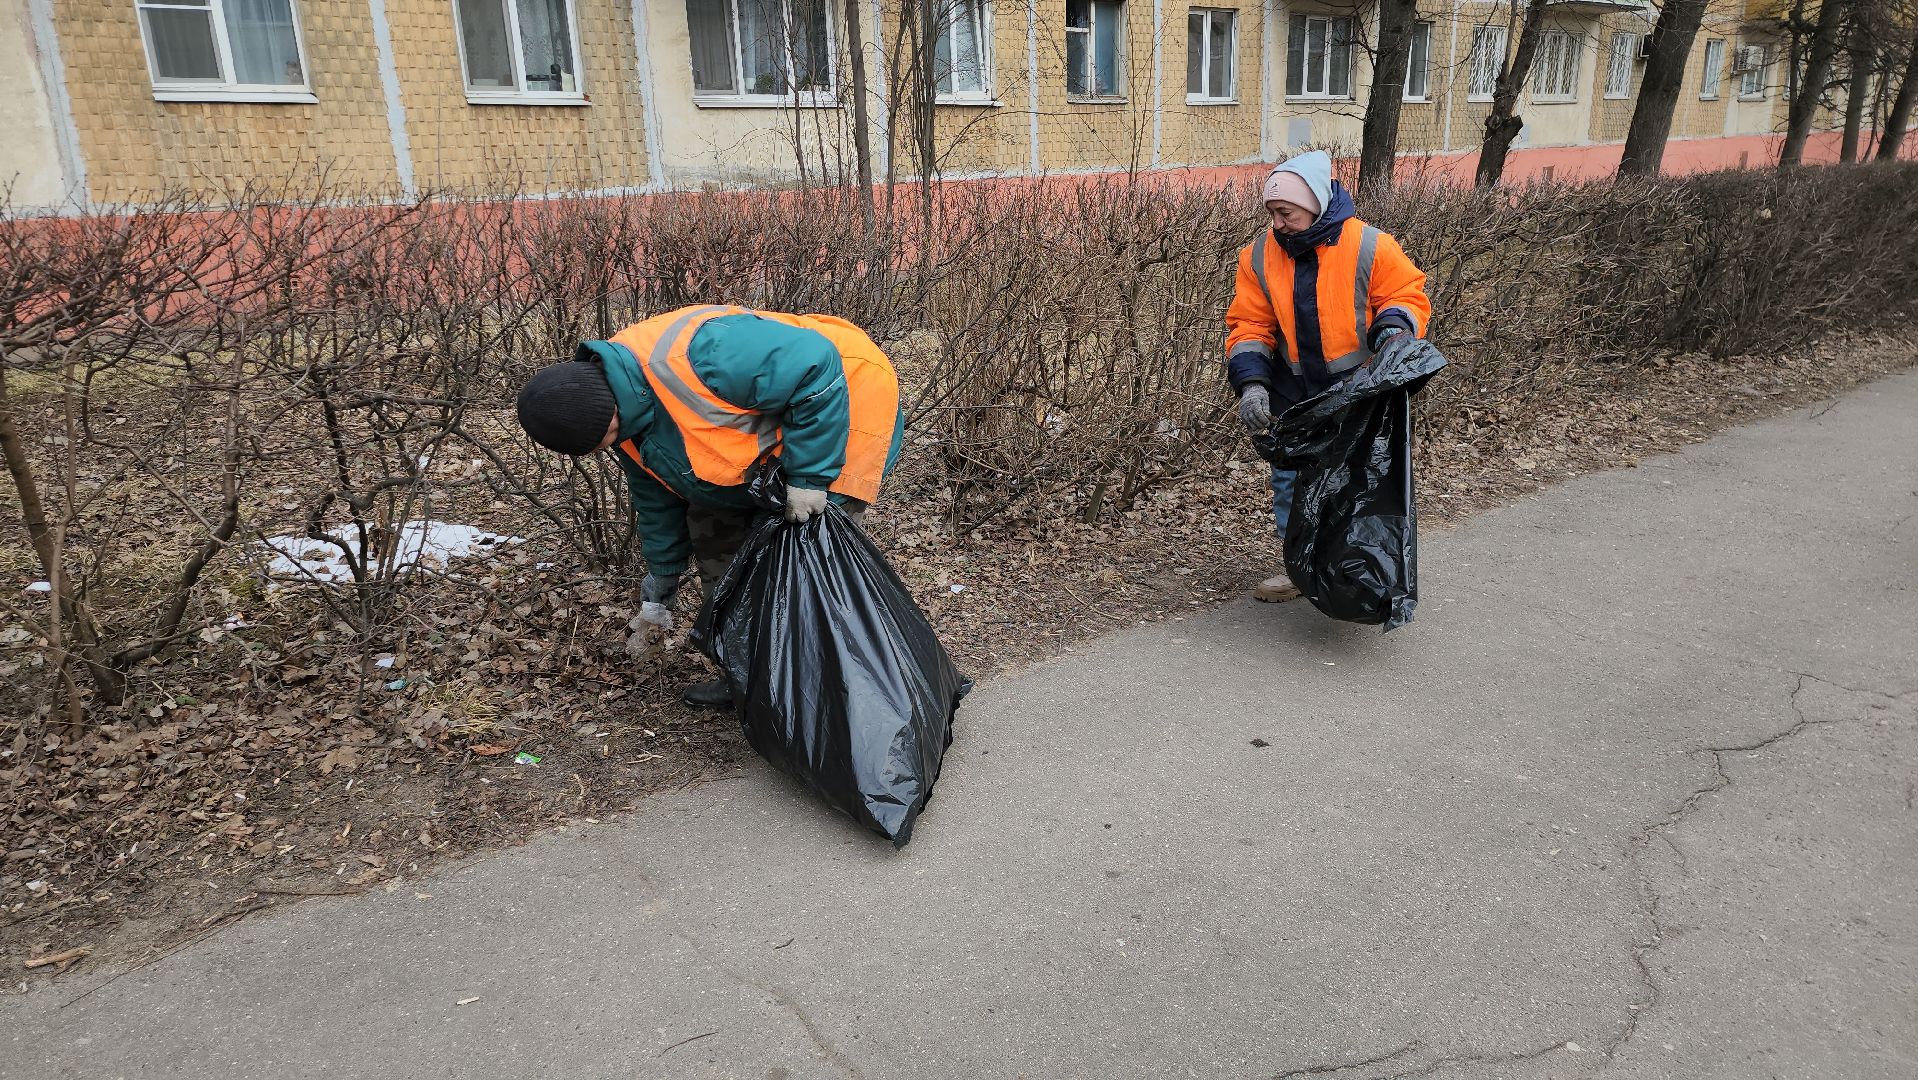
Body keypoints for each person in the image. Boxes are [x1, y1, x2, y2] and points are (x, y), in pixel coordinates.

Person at [515, 304, 904, 707]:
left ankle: (840, 697)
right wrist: (661, 580)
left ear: (608, 415)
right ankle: (749, 680)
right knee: (719, 546)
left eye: (601, 441)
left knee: (808, 568)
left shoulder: (705, 354)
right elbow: (656, 495)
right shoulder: (620, 411)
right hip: (756, 455)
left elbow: (814, 363)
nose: (605, 450)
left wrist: (809, 478)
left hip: (842, 405)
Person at [1224, 150, 1432, 602]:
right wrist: (1252, 384)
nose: (1277, 223)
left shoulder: (1371, 245)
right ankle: (1301, 566)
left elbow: (1405, 295)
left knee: (1358, 479)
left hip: (1358, 391)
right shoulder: (1259, 256)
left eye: (1287, 213)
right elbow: (1250, 325)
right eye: (1272, 213)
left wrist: (1394, 331)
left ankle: (1354, 569)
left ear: (1316, 204)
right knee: (1290, 478)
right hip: (1294, 395)